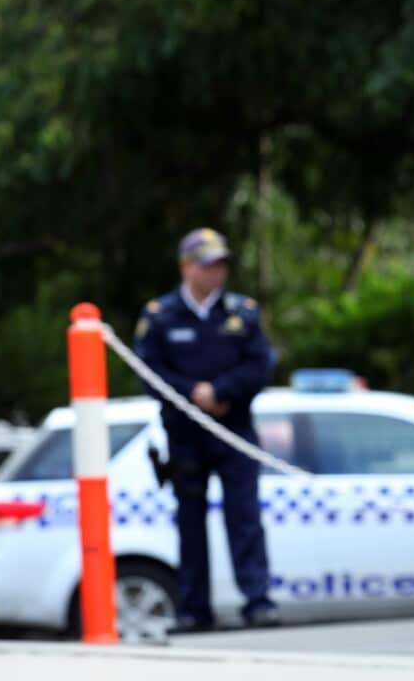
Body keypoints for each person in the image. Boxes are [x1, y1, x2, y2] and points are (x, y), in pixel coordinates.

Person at [133, 228, 280, 631]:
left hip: (234, 431)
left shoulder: (241, 312)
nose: (216, 273)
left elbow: (259, 365)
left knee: (245, 518)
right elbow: (148, 373)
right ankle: (195, 608)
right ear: (186, 267)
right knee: (190, 523)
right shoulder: (160, 316)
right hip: (185, 435)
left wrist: (220, 391)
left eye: (221, 265)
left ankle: (257, 601)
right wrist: (192, 394)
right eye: (207, 265)